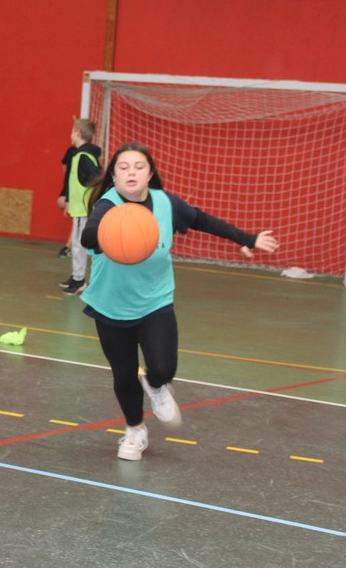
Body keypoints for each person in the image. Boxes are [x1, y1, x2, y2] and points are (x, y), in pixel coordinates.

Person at [79, 142, 278, 461]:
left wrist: (247, 238)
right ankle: (135, 430)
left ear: (150, 174)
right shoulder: (107, 206)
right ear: (114, 176)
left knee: (163, 367)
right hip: (110, 305)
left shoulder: (165, 203)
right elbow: (87, 236)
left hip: (154, 301)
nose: (131, 172)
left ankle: (156, 385)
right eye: (124, 167)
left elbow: (202, 220)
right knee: (123, 374)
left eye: (139, 167)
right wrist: (109, 233)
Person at [57, 119, 101, 296]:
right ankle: (77, 276)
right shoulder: (80, 155)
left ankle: (79, 280)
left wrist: (89, 199)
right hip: (79, 208)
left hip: (83, 209)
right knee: (77, 244)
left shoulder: (83, 156)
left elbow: (95, 177)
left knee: (78, 245)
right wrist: (69, 200)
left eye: (72, 131)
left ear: (78, 133)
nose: (70, 135)